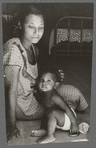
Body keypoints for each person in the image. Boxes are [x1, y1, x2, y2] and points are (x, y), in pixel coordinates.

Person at [32, 68, 80, 144]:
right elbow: (41, 100)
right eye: (42, 80)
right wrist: (35, 93)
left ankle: (50, 135)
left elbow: (66, 108)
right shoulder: (44, 93)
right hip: (58, 117)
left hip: (67, 119)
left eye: (48, 81)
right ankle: (45, 130)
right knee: (46, 113)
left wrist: (74, 124)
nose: (44, 83)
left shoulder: (54, 97)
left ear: (55, 85)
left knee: (52, 112)